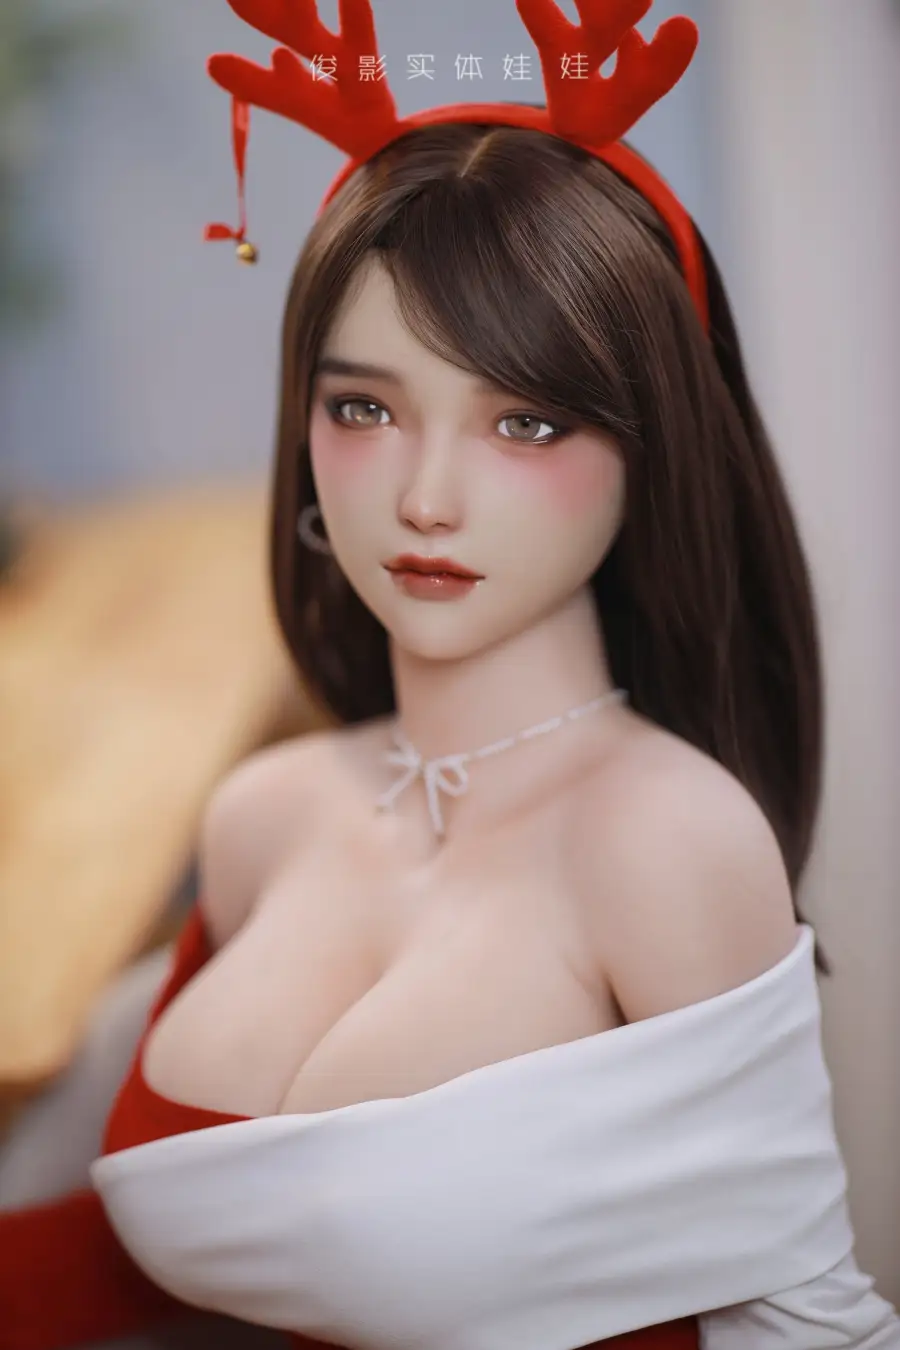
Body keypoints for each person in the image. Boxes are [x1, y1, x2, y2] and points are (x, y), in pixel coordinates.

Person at [2, 1, 899, 1347]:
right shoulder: (264, 814)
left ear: (652, 448)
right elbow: (142, 1271)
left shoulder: (667, 842)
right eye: (364, 407)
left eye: (524, 422)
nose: (425, 496)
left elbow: (802, 1320)